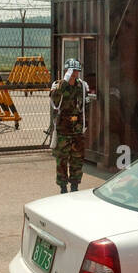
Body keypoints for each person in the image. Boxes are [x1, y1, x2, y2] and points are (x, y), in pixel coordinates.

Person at [49, 58, 92, 192]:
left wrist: (85, 124)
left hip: (77, 130)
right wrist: (64, 82)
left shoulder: (82, 86)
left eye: (76, 71)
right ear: (66, 71)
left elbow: (86, 106)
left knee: (77, 160)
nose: (74, 74)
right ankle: (63, 187)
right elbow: (54, 100)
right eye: (71, 71)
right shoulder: (58, 85)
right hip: (63, 130)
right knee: (61, 160)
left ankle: (75, 185)